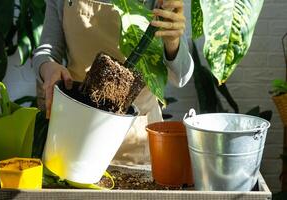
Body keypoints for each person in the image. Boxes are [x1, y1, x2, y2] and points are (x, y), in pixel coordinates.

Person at [32, 0, 194, 165]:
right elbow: (48, 50)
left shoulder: (160, 2)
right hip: (76, 129)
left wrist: (173, 42)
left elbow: (180, 76)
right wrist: (48, 67)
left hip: (135, 140)